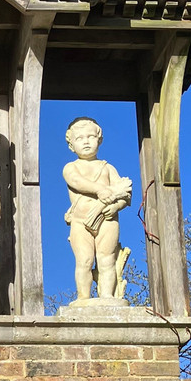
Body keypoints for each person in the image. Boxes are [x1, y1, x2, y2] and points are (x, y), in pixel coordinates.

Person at [62, 117, 133, 302]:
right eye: (79, 138)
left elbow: (126, 194)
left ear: (99, 139)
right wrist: (100, 190)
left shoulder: (108, 168)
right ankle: (83, 298)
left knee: (106, 259)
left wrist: (116, 206)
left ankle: (107, 296)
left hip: (107, 221)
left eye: (90, 136)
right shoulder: (71, 167)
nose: (86, 141)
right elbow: (76, 182)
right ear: (71, 145)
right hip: (80, 222)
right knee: (84, 261)